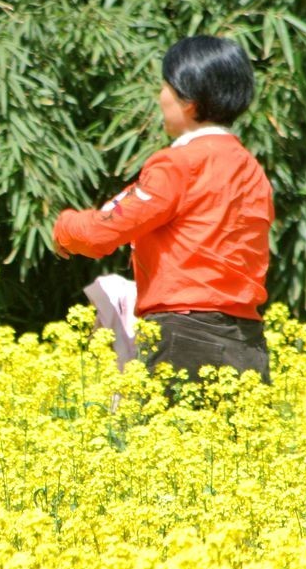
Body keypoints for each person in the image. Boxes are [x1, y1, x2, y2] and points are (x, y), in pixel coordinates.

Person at [52, 35, 274, 386]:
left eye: (165, 87)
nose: (160, 97)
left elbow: (101, 233)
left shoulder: (178, 164)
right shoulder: (252, 169)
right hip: (247, 343)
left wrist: (64, 227)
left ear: (188, 100)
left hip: (184, 339)